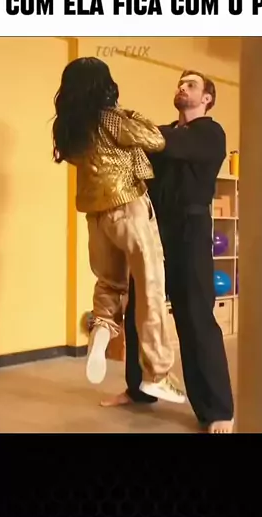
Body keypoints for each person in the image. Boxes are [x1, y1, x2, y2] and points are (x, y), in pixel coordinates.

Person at [101, 69, 235, 433]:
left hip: (190, 231)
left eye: (191, 85)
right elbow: (134, 151)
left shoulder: (210, 133)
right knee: (139, 309)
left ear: (206, 98)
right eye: (180, 83)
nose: (182, 88)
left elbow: (167, 145)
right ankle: (139, 389)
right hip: (153, 229)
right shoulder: (163, 132)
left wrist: (133, 127)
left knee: (195, 318)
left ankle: (218, 409)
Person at [52, 56, 183, 404]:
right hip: (128, 208)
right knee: (151, 286)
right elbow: (155, 139)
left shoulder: (70, 127)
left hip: (96, 217)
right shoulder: (111, 117)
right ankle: (157, 373)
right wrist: (130, 112)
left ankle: (101, 332)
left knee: (109, 283)